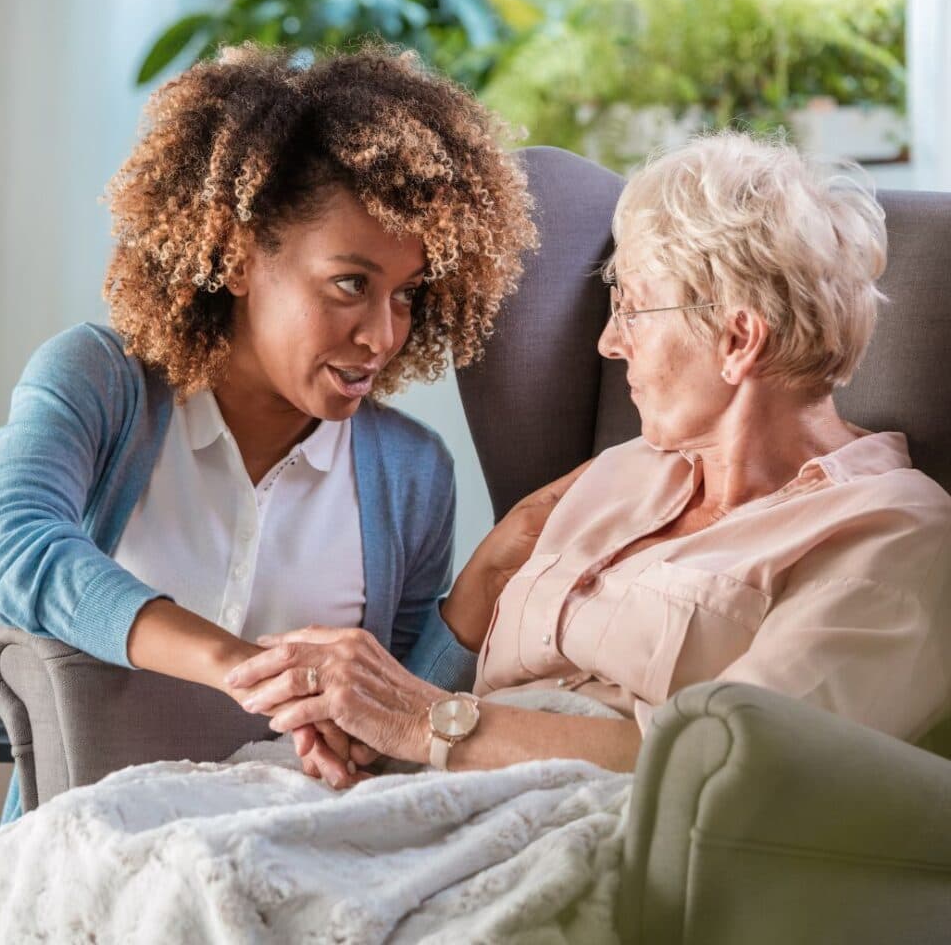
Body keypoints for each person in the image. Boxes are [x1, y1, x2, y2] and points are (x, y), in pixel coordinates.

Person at [224, 131, 951, 779]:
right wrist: (370, 730)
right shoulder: (616, 475)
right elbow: (455, 707)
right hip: (442, 788)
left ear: (737, 340)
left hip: (598, 839)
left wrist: (424, 724)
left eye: (631, 308)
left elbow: (729, 767)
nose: (609, 343)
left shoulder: (894, 535)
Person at [0, 42, 538, 818]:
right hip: (86, 853)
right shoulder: (99, 383)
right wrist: (247, 667)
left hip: (299, 863)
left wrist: (488, 576)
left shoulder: (412, 471)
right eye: (349, 284)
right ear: (237, 256)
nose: (382, 335)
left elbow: (391, 725)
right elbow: (9, 550)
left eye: (408, 294)